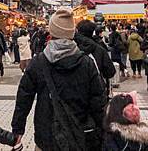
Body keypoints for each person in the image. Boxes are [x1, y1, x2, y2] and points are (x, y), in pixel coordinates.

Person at [11, 8, 108, 151]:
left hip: (47, 135)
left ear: (52, 32)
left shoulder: (39, 62)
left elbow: (24, 99)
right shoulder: (86, 63)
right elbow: (98, 102)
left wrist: (18, 130)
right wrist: (102, 132)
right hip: (81, 135)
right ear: (72, 33)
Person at [74, 19, 116, 94]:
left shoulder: (71, 47)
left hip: (75, 93)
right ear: (92, 32)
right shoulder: (100, 49)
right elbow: (110, 72)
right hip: (97, 92)